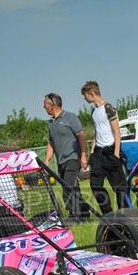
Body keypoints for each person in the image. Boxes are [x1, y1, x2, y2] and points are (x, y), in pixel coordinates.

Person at [81, 80, 127, 215]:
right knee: (95, 185)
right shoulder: (94, 111)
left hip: (111, 151)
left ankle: (124, 214)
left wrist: (116, 154)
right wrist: (92, 150)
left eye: (85, 95)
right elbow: (97, 131)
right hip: (99, 153)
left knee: (119, 188)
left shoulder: (109, 108)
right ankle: (108, 214)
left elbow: (117, 132)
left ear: (92, 93)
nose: (84, 98)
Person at [44, 92, 90, 222]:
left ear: (52, 105)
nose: (44, 108)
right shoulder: (51, 123)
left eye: (45, 105)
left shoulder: (70, 117)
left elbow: (81, 136)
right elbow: (51, 143)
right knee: (72, 188)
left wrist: (83, 155)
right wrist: (47, 160)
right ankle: (85, 212)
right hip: (61, 161)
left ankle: (74, 216)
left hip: (72, 158)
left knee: (68, 188)